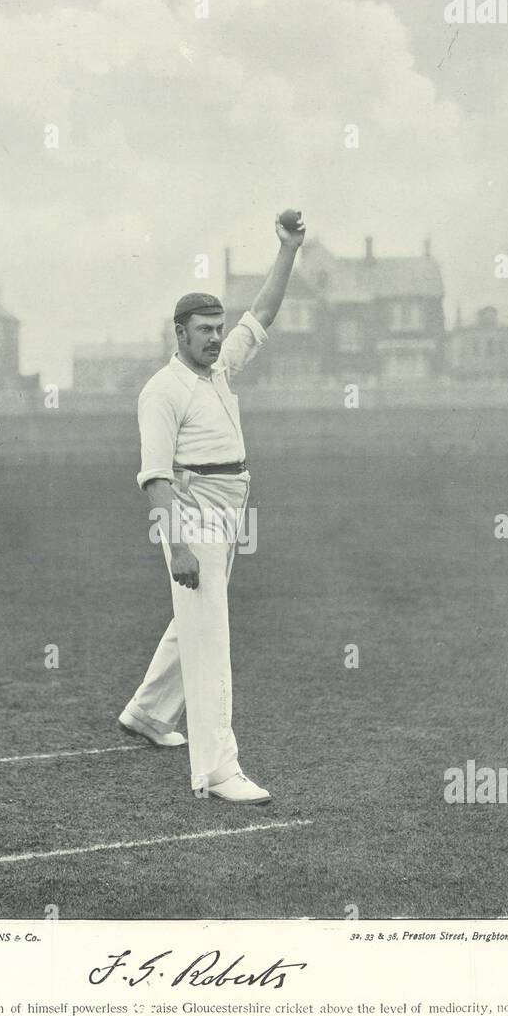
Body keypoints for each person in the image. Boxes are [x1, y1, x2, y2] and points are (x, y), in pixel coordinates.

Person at [119, 213, 306, 804]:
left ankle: (148, 712)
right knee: (211, 638)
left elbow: (265, 314)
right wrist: (177, 546)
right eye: (203, 330)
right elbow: (154, 478)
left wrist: (287, 250)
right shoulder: (162, 391)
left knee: (194, 621)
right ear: (178, 333)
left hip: (230, 513)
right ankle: (219, 773)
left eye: (218, 328)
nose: (215, 337)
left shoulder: (221, 369)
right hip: (190, 514)